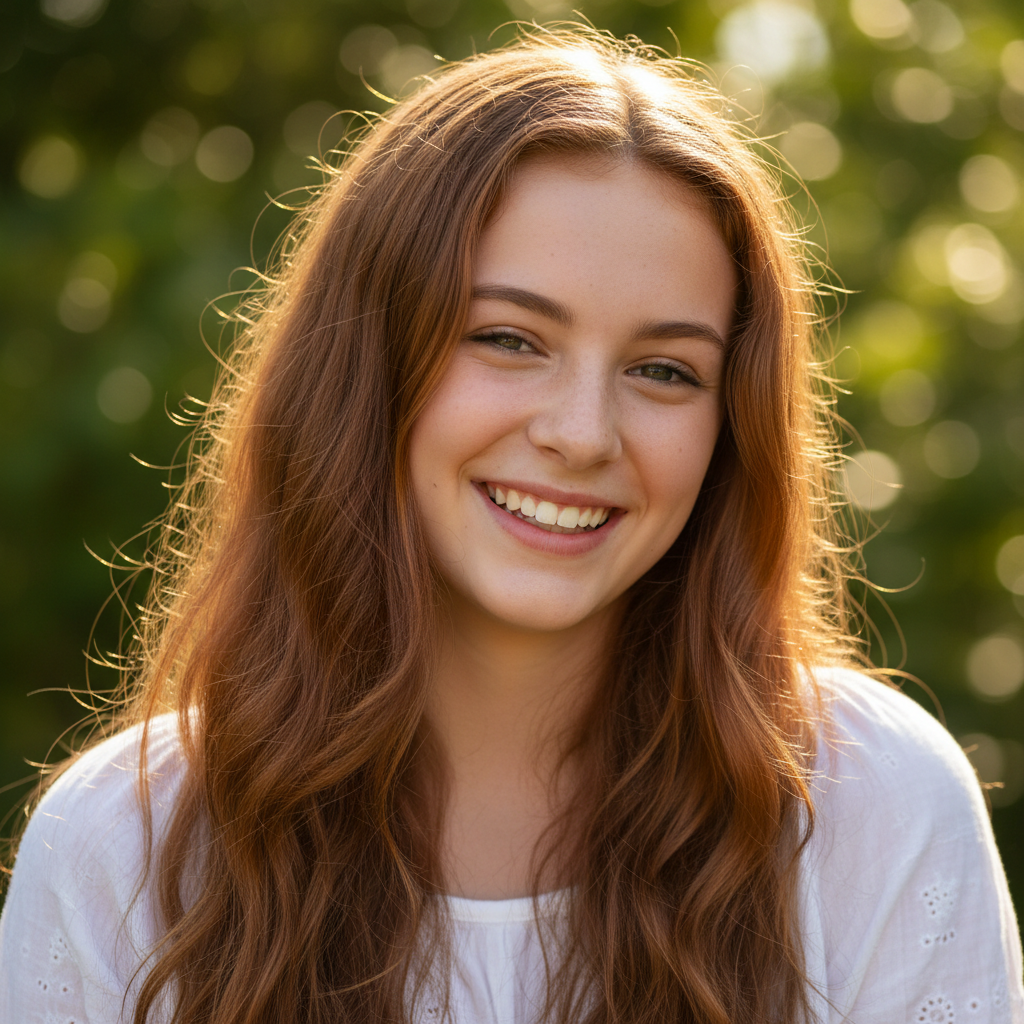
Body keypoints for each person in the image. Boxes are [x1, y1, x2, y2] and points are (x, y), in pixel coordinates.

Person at [1, 26, 1021, 1024]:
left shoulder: (869, 808)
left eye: (663, 370)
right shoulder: (121, 850)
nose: (583, 433)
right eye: (508, 338)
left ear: (730, 429)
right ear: (367, 367)